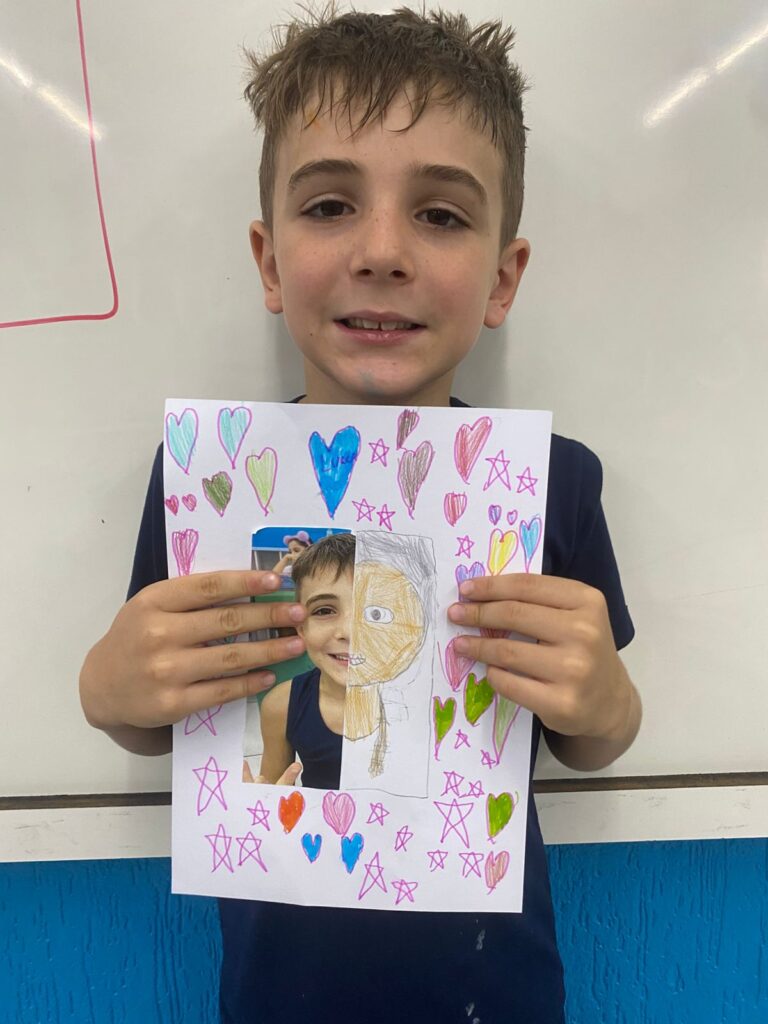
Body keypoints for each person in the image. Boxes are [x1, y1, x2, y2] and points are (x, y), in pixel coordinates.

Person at [79, 5, 642, 1022]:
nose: (382, 250)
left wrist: (605, 705)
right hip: (275, 998)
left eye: (441, 215)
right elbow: (159, 722)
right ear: (268, 261)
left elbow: (586, 738)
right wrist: (110, 691)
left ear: (503, 278)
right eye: (331, 204)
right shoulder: (210, 484)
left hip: (496, 994)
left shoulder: (551, 484)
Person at [249, 532, 354, 788]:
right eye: (324, 610)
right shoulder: (281, 705)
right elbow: (273, 784)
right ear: (302, 629)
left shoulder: (425, 703)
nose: (350, 632)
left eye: (373, 611)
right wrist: (258, 799)